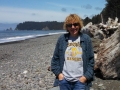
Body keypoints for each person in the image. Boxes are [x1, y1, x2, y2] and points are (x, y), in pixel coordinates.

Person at [51, 14, 94, 90]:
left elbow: (91, 60)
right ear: (66, 27)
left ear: (79, 25)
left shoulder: (86, 39)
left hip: (80, 82)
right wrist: (59, 75)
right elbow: (55, 59)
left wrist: (85, 77)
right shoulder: (62, 39)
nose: (73, 27)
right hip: (64, 81)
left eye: (75, 24)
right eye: (69, 25)